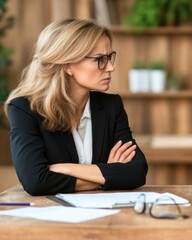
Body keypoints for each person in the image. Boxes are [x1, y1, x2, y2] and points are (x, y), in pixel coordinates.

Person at [4, 19, 148, 196]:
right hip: (52, 219)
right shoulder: (24, 109)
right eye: (100, 59)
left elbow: (137, 171)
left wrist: (66, 169)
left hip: (108, 216)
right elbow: (36, 181)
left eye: (109, 57)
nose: (111, 67)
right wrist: (107, 173)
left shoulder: (111, 106)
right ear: (67, 65)